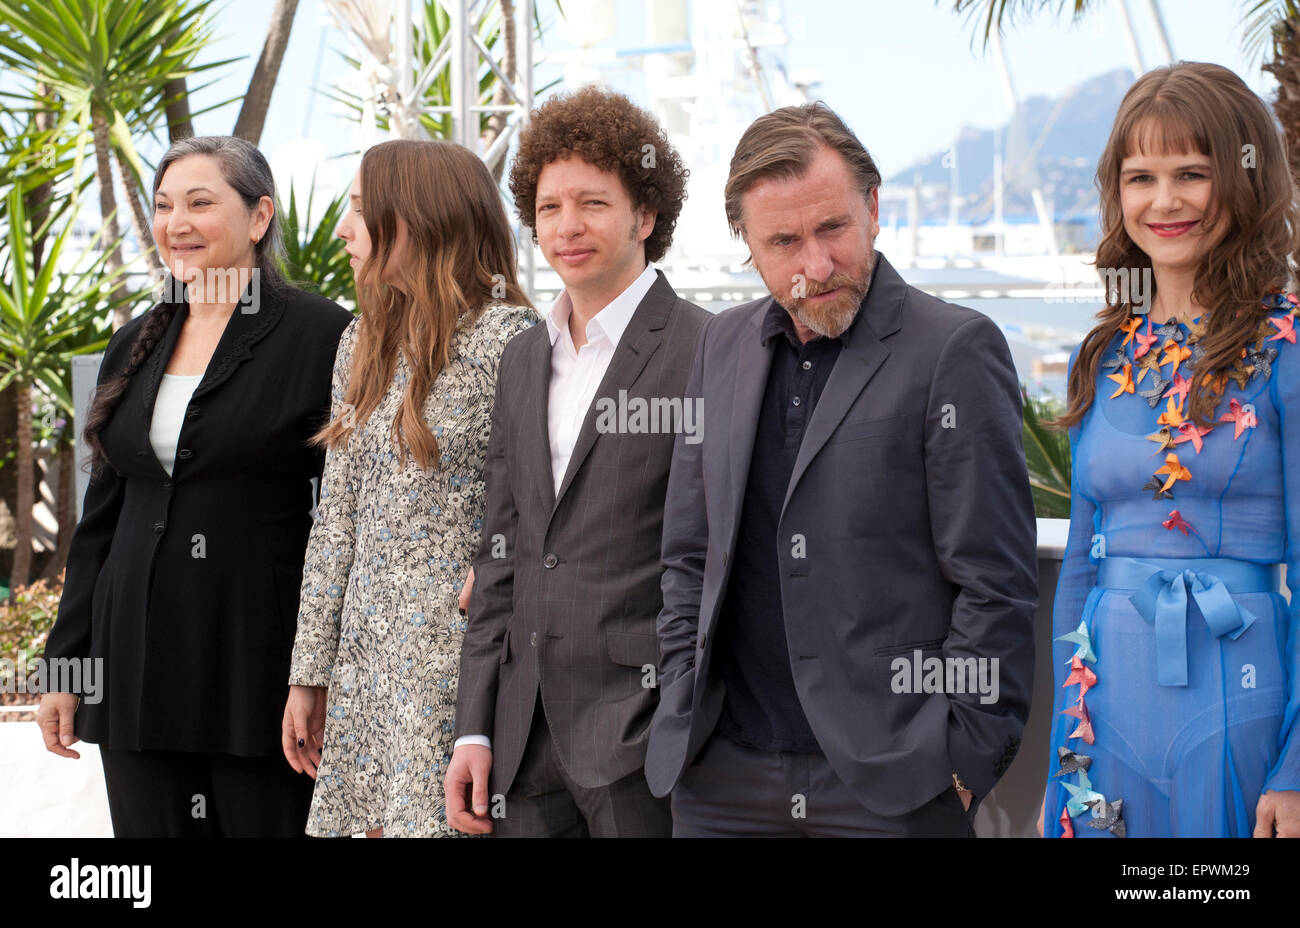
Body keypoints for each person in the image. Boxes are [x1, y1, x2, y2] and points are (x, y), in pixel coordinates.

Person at [644, 102, 1038, 837]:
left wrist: (961, 763)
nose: (815, 266)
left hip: (893, 786)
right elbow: (689, 556)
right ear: (748, 245)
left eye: (832, 229)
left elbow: (995, 582)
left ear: (875, 207)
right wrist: (678, 698)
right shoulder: (722, 346)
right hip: (720, 779)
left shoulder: (954, 349)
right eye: (784, 241)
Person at [35, 135, 354, 837]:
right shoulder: (137, 339)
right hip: (135, 667)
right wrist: (65, 668)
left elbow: (351, 514)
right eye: (163, 205)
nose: (176, 223)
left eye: (200, 203)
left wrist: (325, 671)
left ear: (259, 217)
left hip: (255, 666)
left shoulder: (324, 335)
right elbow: (101, 521)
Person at [1042, 61, 1300, 838]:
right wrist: (1067, 742)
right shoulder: (1105, 354)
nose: (1164, 201)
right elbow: (1080, 570)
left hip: (1241, 698)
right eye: (1140, 176)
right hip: (1107, 712)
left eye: (1192, 172)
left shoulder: (1286, 344)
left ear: (1245, 178)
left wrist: (1296, 767)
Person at [444, 86, 710, 837]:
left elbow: (726, 550)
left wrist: (684, 717)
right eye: (550, 207)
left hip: (646, 741)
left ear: (647, 216)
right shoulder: (523, 357)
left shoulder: (708, 348)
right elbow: (502, 552)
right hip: (523, 742)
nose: (568, 226)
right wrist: (474, 728)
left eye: (592, 203)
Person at [283, 139, 536, 838]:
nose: (343, 228)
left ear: (418, 217)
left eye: (361, 209)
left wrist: (497, 560)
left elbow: (546, 498)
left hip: (457, 662)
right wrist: (310, 671)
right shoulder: (362, 339)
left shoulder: (512, 340)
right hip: (368, 660)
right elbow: (336, 516)